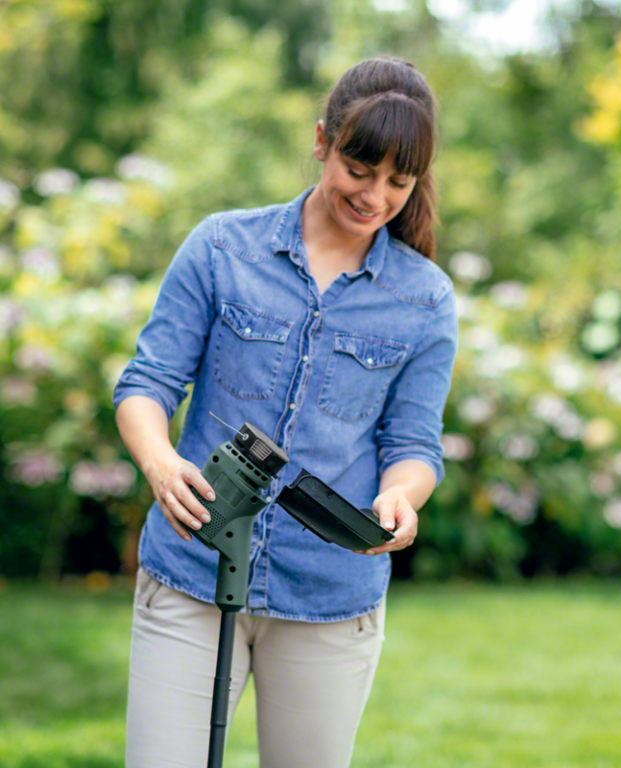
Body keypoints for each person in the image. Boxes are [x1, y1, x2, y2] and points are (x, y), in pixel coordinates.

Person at [114, 55, 458, 768]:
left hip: (331, 595)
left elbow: (414, 442)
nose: (376, 196)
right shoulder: (222, 248)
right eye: (361, 170)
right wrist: (159, 459)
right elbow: (148, 381)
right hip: (192, 572)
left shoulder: (424, 299)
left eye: (400, 181)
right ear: (322, 142)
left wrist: (401, 498)